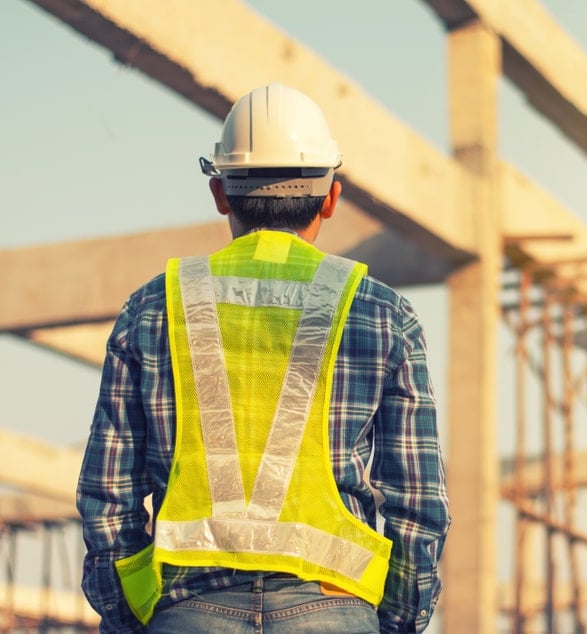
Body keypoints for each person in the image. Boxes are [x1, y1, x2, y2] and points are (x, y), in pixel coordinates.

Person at [77, 83, 450, 633]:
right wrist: (393, 620)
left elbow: (109, 498)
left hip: (188, 613)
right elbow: (418, 506)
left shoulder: (153, 308)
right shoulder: (383, 314)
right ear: (331, 197)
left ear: (220, 192)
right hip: (335, 613)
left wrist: (134, 616)